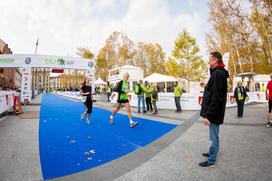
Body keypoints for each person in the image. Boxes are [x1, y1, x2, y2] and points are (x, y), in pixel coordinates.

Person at [199, 51, 229, 167]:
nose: (208, 61)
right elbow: (214, 91)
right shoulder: (217, 73)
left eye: (210, 59)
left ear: (216, 60)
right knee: (213, 136)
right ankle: (211, 152)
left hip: (214, 114)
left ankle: (211, 160)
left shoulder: (218, 74)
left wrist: (209, 116)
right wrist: (206, 86)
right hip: (215, 112)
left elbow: (217, 97)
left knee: (214, 137)